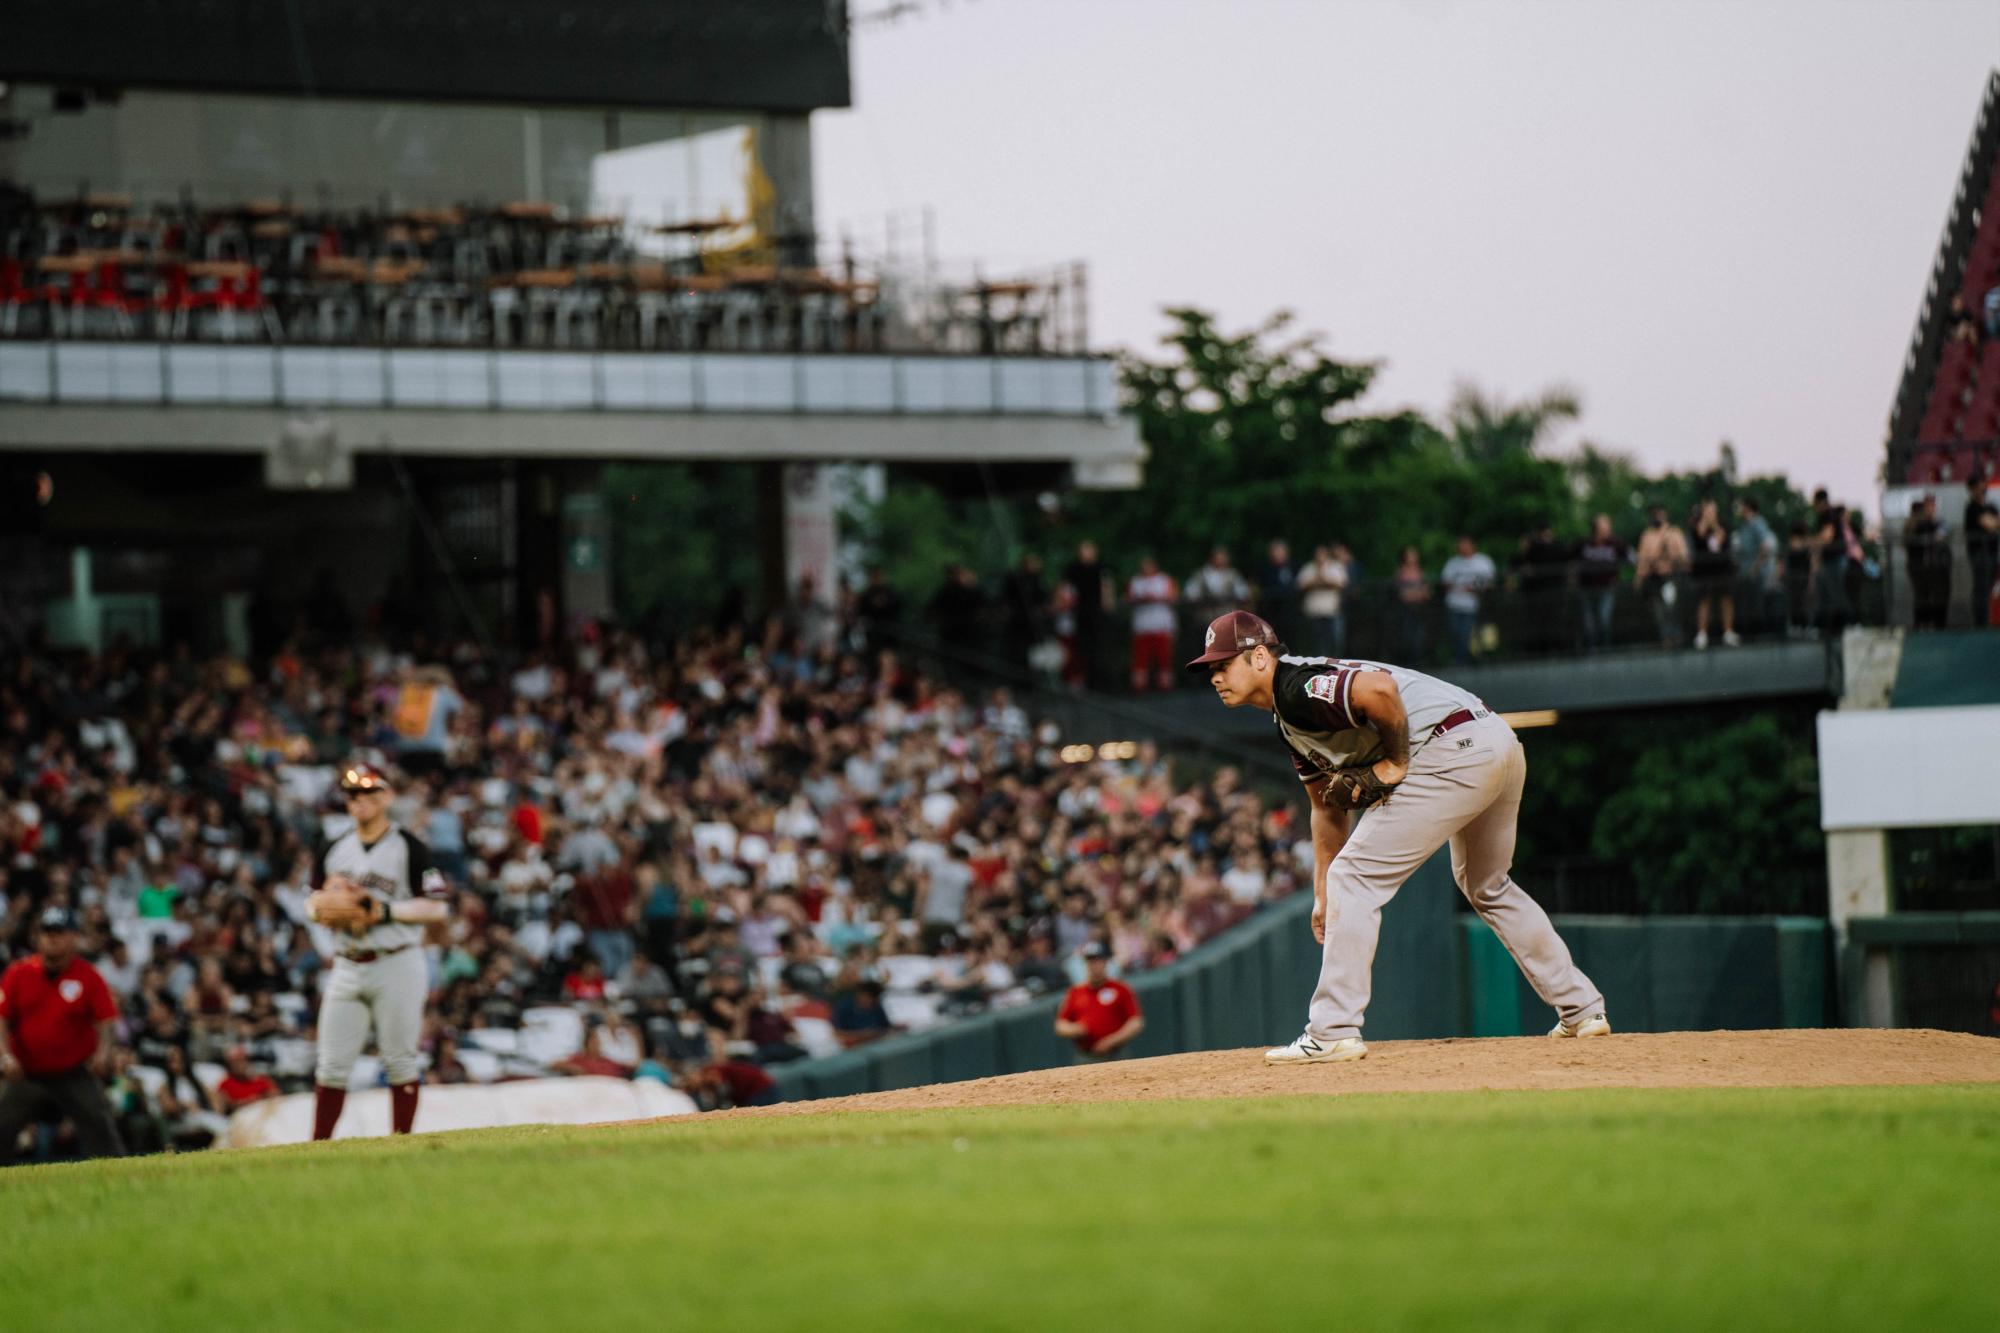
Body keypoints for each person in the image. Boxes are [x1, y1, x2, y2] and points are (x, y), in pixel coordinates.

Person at [1187, 611, 1607, 1063]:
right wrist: (1323, 892)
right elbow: (1326, 808)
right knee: (1487, 884)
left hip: (1450, 748)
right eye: (1211, 668)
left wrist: (1394, 763)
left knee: (1358, 876)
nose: (1215, 676)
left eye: (1224, 664)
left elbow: (1379, 691)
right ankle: (1582, 1009)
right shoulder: (1289, 721)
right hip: (1493, 741)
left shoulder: (1296, 686)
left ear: (1261, 657)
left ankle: (1332, 1030)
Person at [307, 760, 453, 1141]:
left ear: (387, 796)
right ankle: (318, 1148)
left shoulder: (411, 847)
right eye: (352, 794)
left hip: (397, 962)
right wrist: (325, 908)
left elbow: (438, 905)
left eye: (369, 792)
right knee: (331, 1065)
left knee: (400, 1060)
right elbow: (311, 901)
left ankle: (401, 1143)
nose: (360, 800)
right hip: (348, 963)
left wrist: (384, 910)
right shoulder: (333, 847)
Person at [0, 907, 126, 1164]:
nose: (52, 938)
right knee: (3, 1124)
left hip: (73, 1072)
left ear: (73, 938)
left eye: (58, 932)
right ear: (38, 937)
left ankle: (120, 1175)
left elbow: (106, 1019)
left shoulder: (88, 976)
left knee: (99, 1124)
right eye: (47, 932)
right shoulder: (18, 973)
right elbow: (1, 1018)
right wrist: (4, 1056)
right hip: (28, 1072)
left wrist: (102, 1054)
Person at [1053, 942, 1143, 1062]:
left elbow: (1136, 1022)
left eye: (1098, 960)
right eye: (1091, 961)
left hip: (1116, 1054)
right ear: (1085, 964)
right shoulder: (1075, 992)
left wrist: (1112, 1040)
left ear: (1105, 962)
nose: (1094, 965)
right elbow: (1060, 1025)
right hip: (1086, 1056)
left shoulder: (1120, 989)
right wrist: (1075, 1029)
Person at [1061, 541, 1115, 692]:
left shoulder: (1101, 567)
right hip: (1080, 612)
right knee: (1082, 647)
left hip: (1096, 611)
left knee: (1099, 647)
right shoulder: (1073, 569)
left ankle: (1101, 682)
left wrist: (1107, 603)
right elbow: (1066, 588)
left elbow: (1107, 586)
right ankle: (1084, 680)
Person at [1634, 505, 1690, 648]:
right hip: (1655, 578)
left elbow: (1684, 556)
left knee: (1671, 608)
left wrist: (1671, 553)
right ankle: (1665, 639)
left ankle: (1677, 637)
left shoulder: (1674, 532)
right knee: (1659, 611)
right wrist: (1639, 578)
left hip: (1671, 576)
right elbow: (1643, 560)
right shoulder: (1647, 535)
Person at [1125, 555, 1180, 693]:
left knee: (1164, 658)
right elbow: (1128, 598)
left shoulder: (1164, 579)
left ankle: (1165, 685)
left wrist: (1157, 598)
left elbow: (1174, 595)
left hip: (1161, 625)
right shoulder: (1136, 581)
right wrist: (1142, 599)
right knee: (1141, 659)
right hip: (1142, 626)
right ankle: (1140, 686)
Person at [1572, 515, 1627, 653]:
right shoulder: (1584, 544)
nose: (1608, 529)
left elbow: (1631, 555)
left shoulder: (1615, 543)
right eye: (1604, 526)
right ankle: (1592, 649)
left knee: (1604, 618)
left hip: (1606, 588)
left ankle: (1605, 648)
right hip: (1586, 589)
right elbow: (1568, 557)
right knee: (1588, 622)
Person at [1439, 536, 1496, 665]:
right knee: (1455, 632)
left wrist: (1475, 587)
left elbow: (1490, 582)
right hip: (1454, 603)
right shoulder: (1453, 562)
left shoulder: (1483, 561)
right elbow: (1445, 581)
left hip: (1473, 604)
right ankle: (1459, 657)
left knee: (1468, 632)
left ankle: (1466, 659)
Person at [1688, 499, 1736, 649]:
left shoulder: (1722, 525)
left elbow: (1721, 540)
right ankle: (1702, 633)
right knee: (1704, 601)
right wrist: (1705, 521)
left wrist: (1714, 524)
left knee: (1726, 599)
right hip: (1705, 570)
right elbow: (1699, 536)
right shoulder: (1697, 525)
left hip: (1722, 569)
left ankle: (1728, 632)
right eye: (1707, 510)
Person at [1731, 498, 1779, 640]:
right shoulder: (1744, 526)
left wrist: (1755, 567)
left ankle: (1760, 634)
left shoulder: (1757, 523)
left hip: (1756, 573)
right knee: (1747, 605)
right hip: (1745, 572)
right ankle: (1749, 633)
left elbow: (1765, 547)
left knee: (1757, 605)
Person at [1903, 494, 1953, 630]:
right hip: (1919, 567)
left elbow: (1943, 532)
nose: (1930, 509)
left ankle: (1937, 624)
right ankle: (1922, 624)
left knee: (1938, 596)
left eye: (1932, 506)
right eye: (1927, 506)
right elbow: (1909, 541)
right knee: (1922, 596)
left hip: (1936, 567)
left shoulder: (1938, 522)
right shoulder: (1914, 524)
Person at [1296, 544, 1350, 658]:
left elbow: (1342, 584)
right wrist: (1317, 581)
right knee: (1315, 641)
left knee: (1333, 641)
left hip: (1331, 611)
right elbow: (1300, 585)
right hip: (1313, 612)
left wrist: (1324, 580)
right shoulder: (1308, 567)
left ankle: (1334, 661)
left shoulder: (1335, 567)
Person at [1965, 478, 1998, 628]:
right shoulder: (1971, 508)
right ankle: (1980, 623)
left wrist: (1992, 522)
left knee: (1989, 588)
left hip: (1992, 553)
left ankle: (1987, 620)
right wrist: (1991, 522)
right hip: (1979, 554)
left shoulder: (1990, 506)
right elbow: (1989, 524)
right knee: (1981, 589)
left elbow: (1995, 523)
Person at [1393, 546, 1431, 663]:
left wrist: (1415, 594)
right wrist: (1417, 594)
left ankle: (1418, 660)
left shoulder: (1420, 572)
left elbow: (1427, 592)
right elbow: (1402, 595)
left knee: (1419, 635)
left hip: (1420, 609)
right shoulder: (1400, 573)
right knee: (1406, 635)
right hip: (1406, 610)